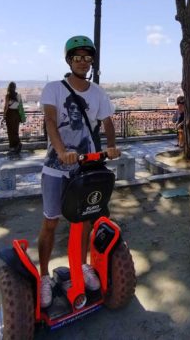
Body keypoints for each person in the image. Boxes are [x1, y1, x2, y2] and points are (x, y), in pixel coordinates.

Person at [38, 35, 120, 309]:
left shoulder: (97, 92)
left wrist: (110, 146)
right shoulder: (54, 89)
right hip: (56, 168)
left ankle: (81, 265)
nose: (83, 62)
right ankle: (44, 275)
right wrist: (61, 151)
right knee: (51, 222)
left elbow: (107, 120)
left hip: (84, 168)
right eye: (78, 57)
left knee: (84, 221)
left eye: (87, 57)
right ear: (69, 60)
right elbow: (50, 120)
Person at [3, 82, 22, 153]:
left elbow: (6, 106)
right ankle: (18, 144)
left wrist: (4, 114)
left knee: (10, 131)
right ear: (15, 87)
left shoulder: (8, 96)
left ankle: (12, 146)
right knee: (15, 130)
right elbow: (20, 107)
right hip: (17, 114)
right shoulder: (18, 95)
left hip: (10, 114)